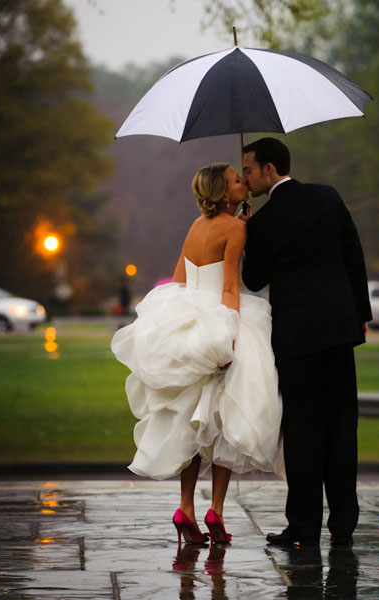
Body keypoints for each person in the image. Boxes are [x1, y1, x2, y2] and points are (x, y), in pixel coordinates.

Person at [111, 163, 282, 546]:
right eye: (238, 180)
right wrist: (229, 334)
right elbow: (229, 288)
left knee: (193, 420)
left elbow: (179, 280)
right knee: (226, 419)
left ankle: (185, 507)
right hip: (219, 320)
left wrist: (180, 325)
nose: (245, 184)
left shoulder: (195, 226)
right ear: (224, 192)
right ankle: (215, 510)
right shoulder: (237, 228)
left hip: (188, 321)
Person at [240, 137, 372, 547]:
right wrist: (361, 315)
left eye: (248, 170)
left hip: (296, 337)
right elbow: (354, 254)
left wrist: (247, 234)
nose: (245, 178)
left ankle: (303, 526)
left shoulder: (262, 220)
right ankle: (344, 524)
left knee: (301, 431)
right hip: (337, 331)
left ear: (269, 169)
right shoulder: (327, 197)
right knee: (341, 427)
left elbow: (254, 279)